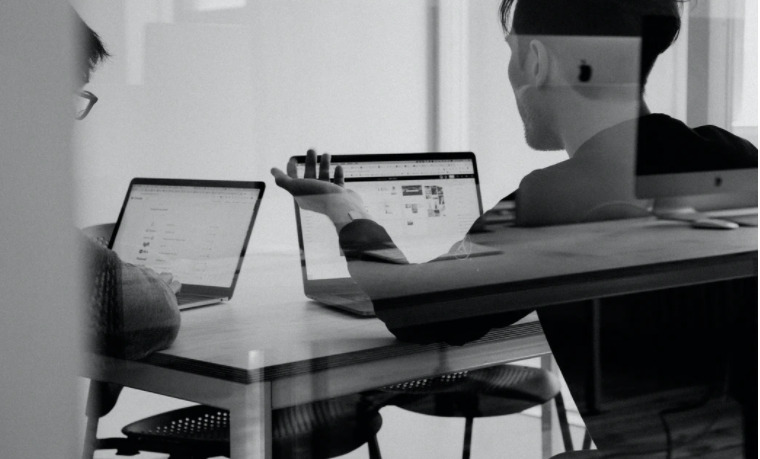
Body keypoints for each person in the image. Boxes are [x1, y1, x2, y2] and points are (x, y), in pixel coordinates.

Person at [272, 0, 756, 455]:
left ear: (538, 61)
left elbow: (413, 306)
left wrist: (346, 211)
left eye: (511, 52)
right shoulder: (732, 155)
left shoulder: (556, 198)